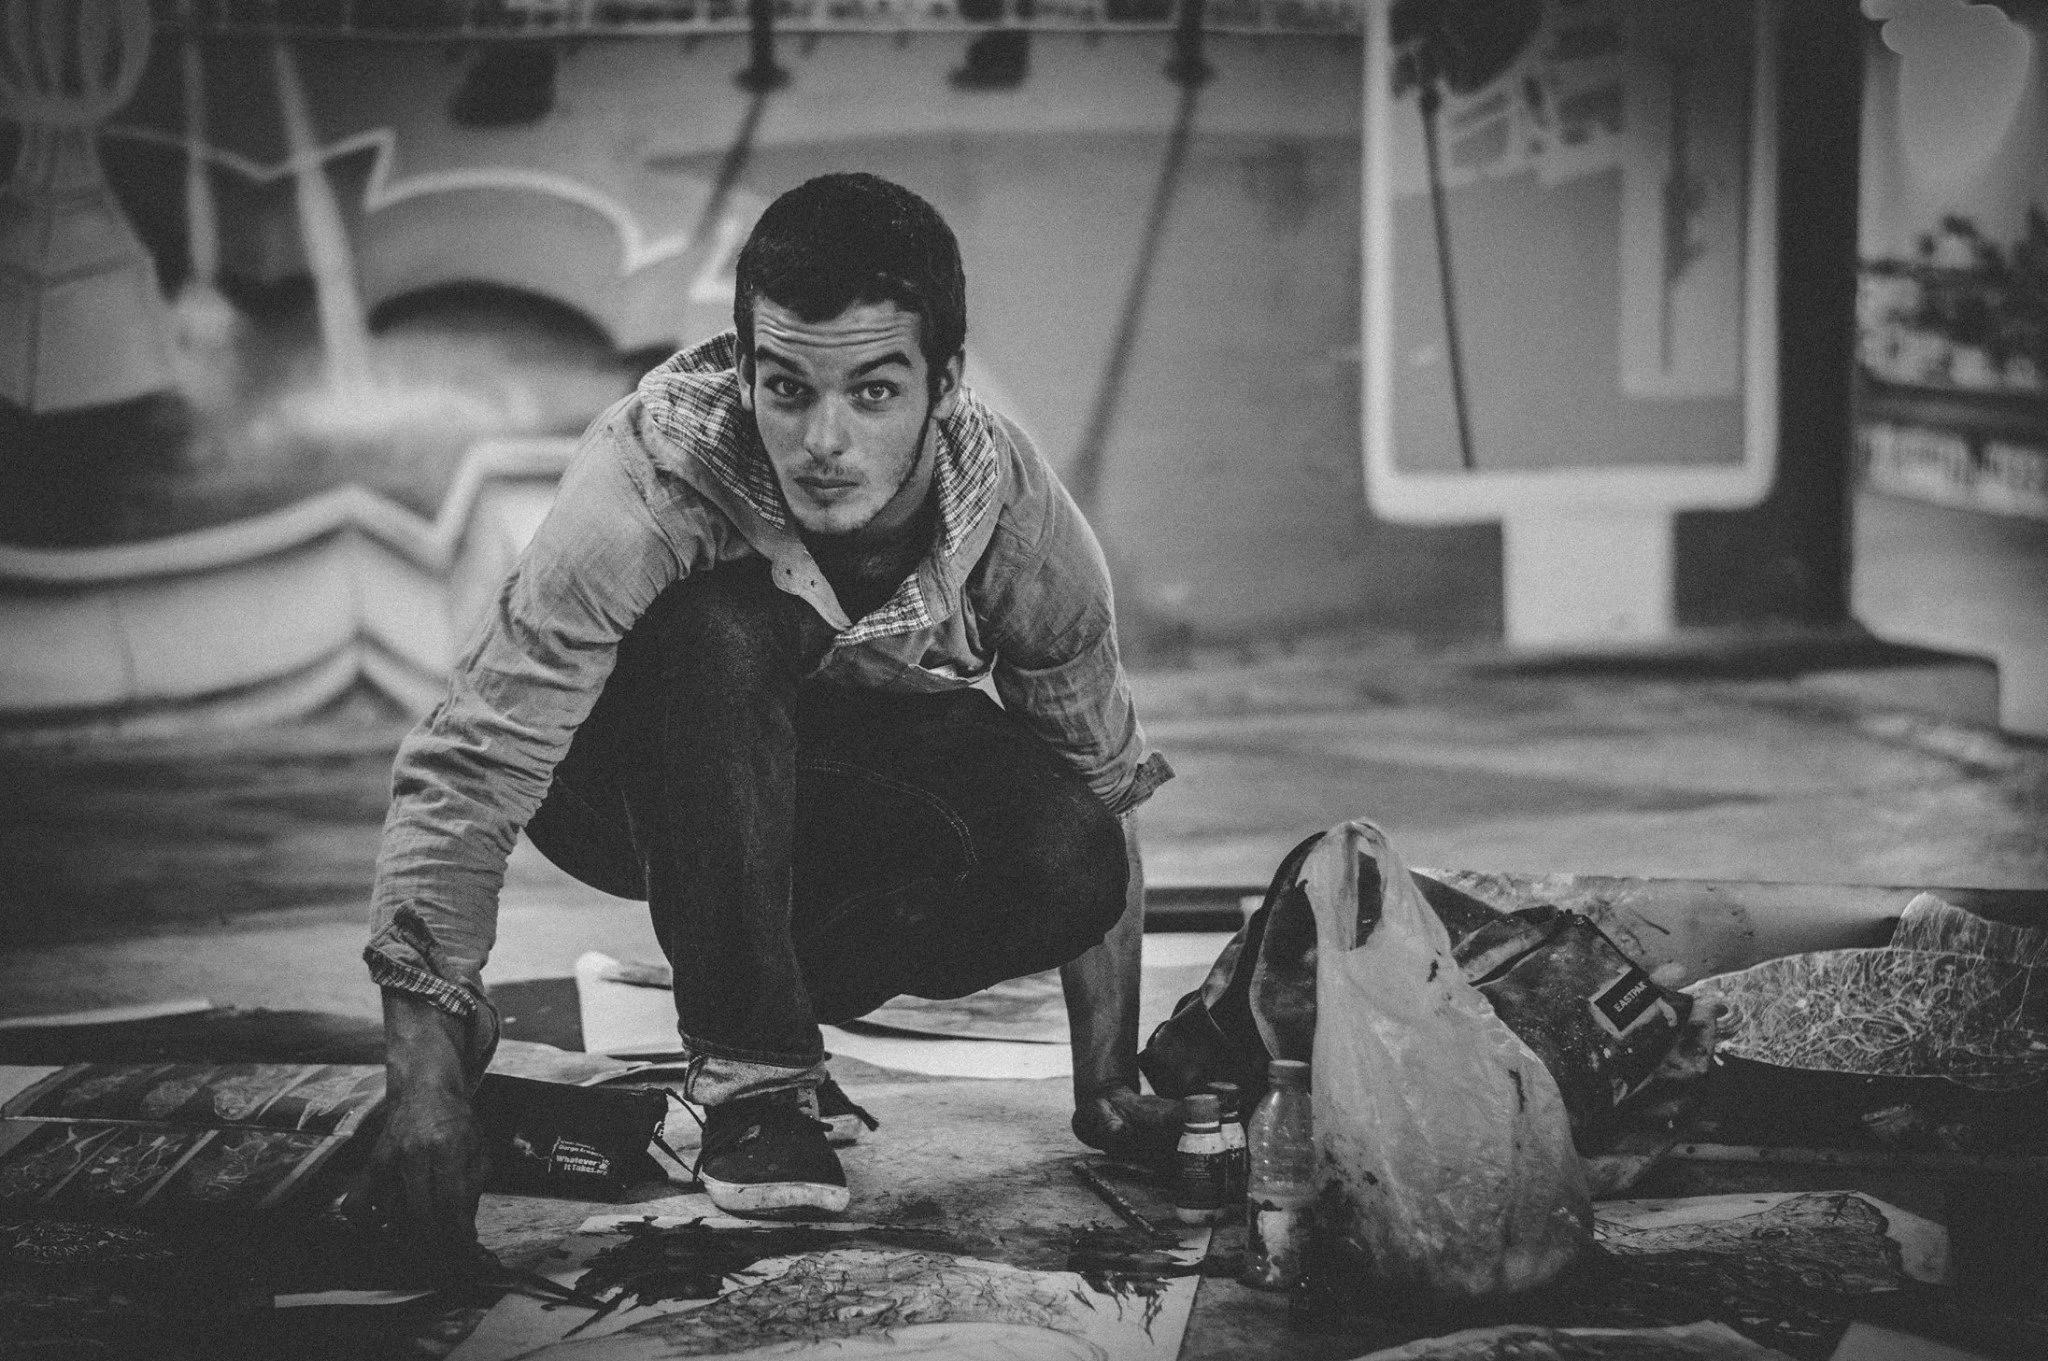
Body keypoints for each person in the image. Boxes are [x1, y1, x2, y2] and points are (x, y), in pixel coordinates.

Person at [355, 172, 1180, 1243]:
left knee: (1071, 852)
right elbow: (474, 757)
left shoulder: (1017, 523)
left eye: (872, 393)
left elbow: (1104, 783)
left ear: (944, 383)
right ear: (744, 371)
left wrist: (1107, 1083)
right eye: (787, 389)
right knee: (721, 628)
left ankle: (763, 982)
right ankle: (752, 1081)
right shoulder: (651, 480)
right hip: (618, 788)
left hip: (816, 789)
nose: (823, 441)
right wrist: (423, 1069)